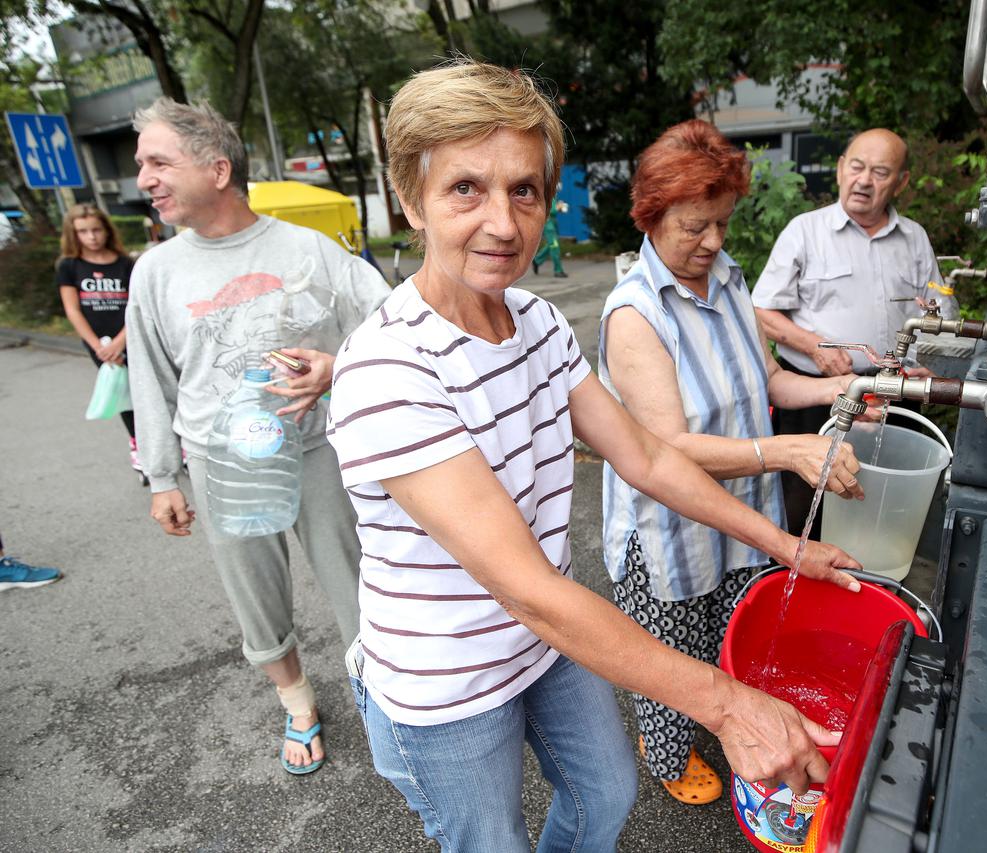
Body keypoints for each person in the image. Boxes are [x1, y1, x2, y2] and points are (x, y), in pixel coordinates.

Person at [327, 60, 863, 852]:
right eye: (465, 189)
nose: (504, 224)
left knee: (606, 795)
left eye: (525, 190)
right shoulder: (388, 369)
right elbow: (528, 588)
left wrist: (788, 545)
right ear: (411, 199)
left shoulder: (538, 321)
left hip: (545, 643)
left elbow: (645, 454)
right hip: (447, 685)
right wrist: (728, 703)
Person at [599, 119, 870, 804]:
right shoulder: (634, 314)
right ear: (653, 216)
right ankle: (663, 752)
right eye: (696, 227)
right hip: (672, 530)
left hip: (739, 515)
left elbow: (767, 379)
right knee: (670, 656)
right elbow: (668, 449)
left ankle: (723, 722)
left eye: (721, 223)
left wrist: (834, 390)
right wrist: (784, 451)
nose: (714, 242)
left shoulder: (726, 278)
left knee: (729, 636)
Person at [125, 97, 390, 776]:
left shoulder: (307, 250)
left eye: (158, 161)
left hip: (319, 450)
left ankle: (385, 695)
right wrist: (160, 476)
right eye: (139, 165)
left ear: (218, 168)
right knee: (255, 595)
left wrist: (339, 368)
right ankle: (298, 701)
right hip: (223, 463)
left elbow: (390, 324)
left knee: (358, 580)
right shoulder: (155, 273)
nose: (143, 179)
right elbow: (149, 379)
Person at [751, 128, 959, 537]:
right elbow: (760, 310)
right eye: (857, 167)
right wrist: (813, 347)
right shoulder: (804, 231)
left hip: (894, 397)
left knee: (882, 506)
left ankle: (869, 589)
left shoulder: (914, 239)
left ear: (901, 182)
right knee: (804, 506)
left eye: (880, 172)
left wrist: (928, 368)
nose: (864, 180)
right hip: (814, 394)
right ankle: (793, 584)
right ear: (841, 169)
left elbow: (939, 317)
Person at [56, 203, 138, 471]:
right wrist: (98, 347)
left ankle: (171, 445)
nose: (91, 237)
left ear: (106, 230)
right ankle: (138, 445)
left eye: (96, 230)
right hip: (99, 344)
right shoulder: (69, 266)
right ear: (73, 234)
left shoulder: (126, 264)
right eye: (83, 231)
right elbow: (72, 309)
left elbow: (137, 307)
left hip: (130, 337)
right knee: (123, 393)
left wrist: (120, 341)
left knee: (147, 390)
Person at [532, 191, 568, 277]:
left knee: (551, 244)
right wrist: (558, 207)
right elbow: (548, 209)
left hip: (553, 222)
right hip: (548, 223)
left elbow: (553, 205)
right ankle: (558, 271)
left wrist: (559, 205)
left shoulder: (552, 189)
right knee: (554, 246)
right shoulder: (545, 189)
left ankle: (537, 260)